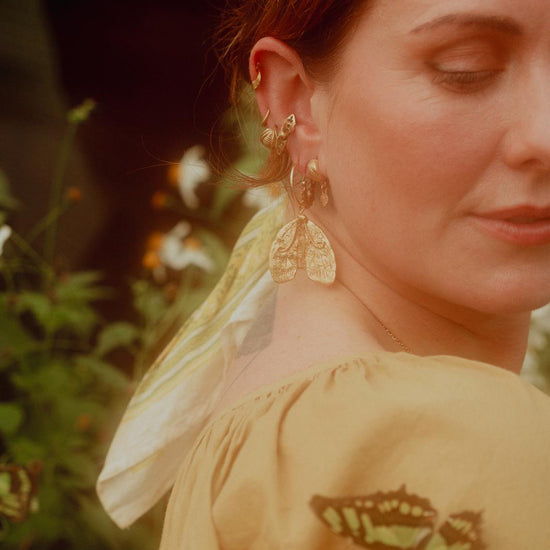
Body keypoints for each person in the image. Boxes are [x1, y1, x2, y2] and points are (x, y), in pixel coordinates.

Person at [98, 0, 550, 547]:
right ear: (295, 102)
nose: (543, 135)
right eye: (467, 69)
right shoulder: (446, 439)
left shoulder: (263, 407)